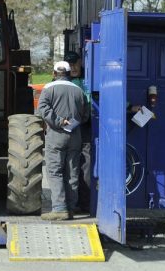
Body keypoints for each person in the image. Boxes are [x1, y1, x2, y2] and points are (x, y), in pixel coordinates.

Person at [36, 60, 90, 220]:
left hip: (56, 135)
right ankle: (70, 209)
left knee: (55, 171)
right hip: (75, 136)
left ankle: (59, 208)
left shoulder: (48, 88)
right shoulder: (79, 91)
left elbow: (42, 109)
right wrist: (73, 122)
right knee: (72, 172)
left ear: (54, 73)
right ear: (68, 74)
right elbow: (85, 115)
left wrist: (59, 121)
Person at [65, 50, 93, 213]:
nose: (73, 67)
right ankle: (69, 204)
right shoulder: (62, 83)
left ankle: (84, 203)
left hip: (84, 127)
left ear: (81, 62)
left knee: (85, 165)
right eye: (70, 64)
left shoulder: (89, 79)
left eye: (75, 63)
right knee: (69, 166)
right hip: (67, 129)